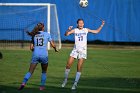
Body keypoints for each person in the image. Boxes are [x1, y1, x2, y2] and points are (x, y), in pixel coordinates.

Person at [61, 19, 105, 90]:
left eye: (82, 23)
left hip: (83, 51)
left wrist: (102, 25)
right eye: (79, 23)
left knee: (79, 68)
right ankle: (65, 80)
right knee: (68, 65)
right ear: (77, 24)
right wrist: (68, 29)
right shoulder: (75, 30)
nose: (81, 24)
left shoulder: (86, 30)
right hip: (75, 50)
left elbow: (96, 31)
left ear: (83, 24)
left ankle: (75, 83)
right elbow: (66, 34)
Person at [18, 23, 58, 91]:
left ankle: (23, 83)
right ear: (43, 28)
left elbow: (31, 48)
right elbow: (53, 45)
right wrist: (55, 49)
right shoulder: (47, 34)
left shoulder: (34, 35)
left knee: (30, 71)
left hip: (35, 54)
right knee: (44, 72)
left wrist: (36, 50)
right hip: (44, 55)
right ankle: (41, 87)